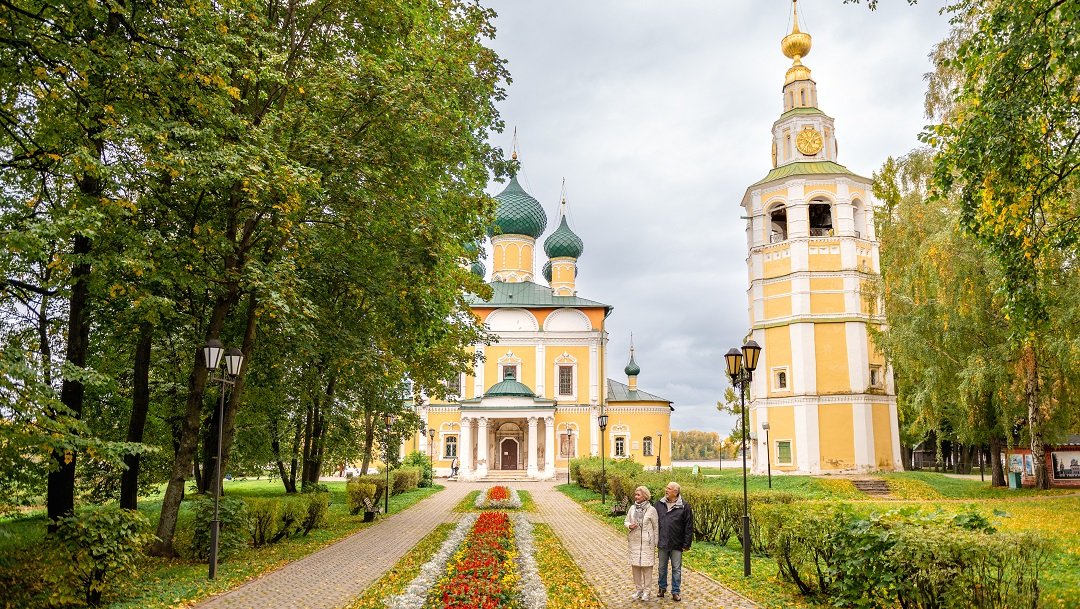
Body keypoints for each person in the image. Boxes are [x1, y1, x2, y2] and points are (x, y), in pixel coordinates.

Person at [655, 481, 693, 601]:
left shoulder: (684, 506)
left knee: (676, 568)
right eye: (666, 488)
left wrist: (686, 544)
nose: (666, 490)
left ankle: (676, 591)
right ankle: (662, 588)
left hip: (677, 543)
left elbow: (689, 526)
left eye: (669, 488)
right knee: (662, 567)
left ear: (675, 492)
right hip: (662, 542)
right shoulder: (659, 504)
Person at [624, 485, 659, 601]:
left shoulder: (651, 510)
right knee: (635, 568)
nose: (636, 497)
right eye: (635, 494)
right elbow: (626, 521)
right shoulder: (632, 508)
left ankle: (647, 592)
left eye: (638, 495)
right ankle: (638, 590)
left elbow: (656, 527)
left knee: (647, 568)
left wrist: (655, 542)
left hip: (647, 543)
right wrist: (629, 525)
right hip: (634, 542)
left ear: (645, 496)